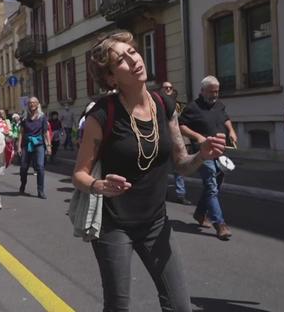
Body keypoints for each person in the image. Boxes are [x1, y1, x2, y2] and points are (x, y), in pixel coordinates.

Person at [72, 31, 226, 312]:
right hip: (113, 225)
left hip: (156, 222)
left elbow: (181, 163)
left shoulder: (164, 105)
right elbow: (79, 175)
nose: (134, 60)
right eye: (121, 59)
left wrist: (202, 155)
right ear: (110, 78)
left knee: (180, 307)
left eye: (132, 52)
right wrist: (99, 185)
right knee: (118, 307)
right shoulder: (102, 115)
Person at [179, 75, 237, 240]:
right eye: (211, 92)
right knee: (211, 185)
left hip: (220, 151)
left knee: (216, 186)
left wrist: (231, 131)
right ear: (202, 91)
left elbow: (226, 119)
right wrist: (197, 136)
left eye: (217, 92)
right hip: (203, 154)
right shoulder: (193, 107)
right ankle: (220, 224)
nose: (214, 95)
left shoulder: (219, 105)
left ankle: (199, 213)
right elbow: (181, 125)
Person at [161, 82, 192, 206]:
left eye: (170, 88)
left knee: (178, 169)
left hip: (178, 142)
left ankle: (181, 194)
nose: (168, 89)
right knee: (162, 169)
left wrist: (186, 142)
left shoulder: (179, 105)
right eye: (165, 88)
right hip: (164, 142)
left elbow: (184, 123)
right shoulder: (158, 105)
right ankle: (163, 193)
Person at [17, 97, 51, 199]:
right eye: (30, 103)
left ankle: (40, 190)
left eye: (34, 103)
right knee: (23, 167)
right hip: (26, 144)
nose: (32, 105)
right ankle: (23, 184)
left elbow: (46, 132)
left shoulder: (42, 117)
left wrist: (49, 146)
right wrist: (18, 146)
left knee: (40, 167)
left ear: (37, 104)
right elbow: (21, 133)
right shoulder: (24, 117)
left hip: (39, 144)